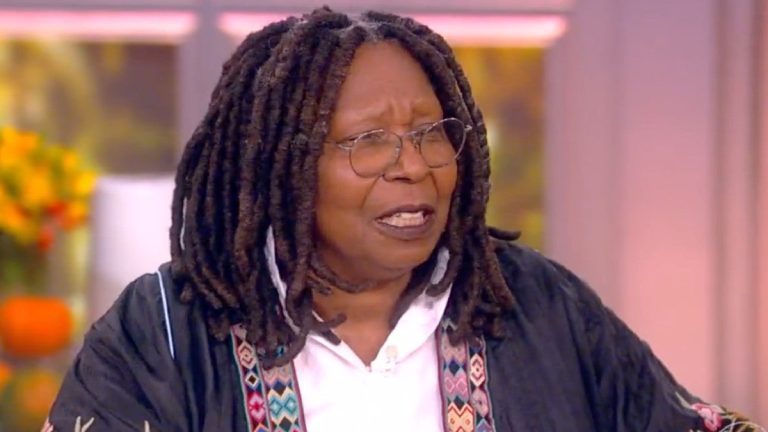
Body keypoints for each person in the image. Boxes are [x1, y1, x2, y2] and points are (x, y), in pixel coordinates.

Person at [47, 7, 762, 432]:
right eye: (368, 142)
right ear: (280, 166)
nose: (414, 166)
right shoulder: (165, 329)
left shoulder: (540, 305)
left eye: (431, 134)